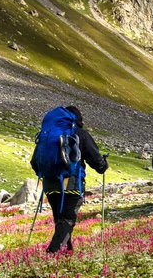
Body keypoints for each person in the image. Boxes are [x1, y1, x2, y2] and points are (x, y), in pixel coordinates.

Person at [31, 106, 108, 253]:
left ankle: (67, 253)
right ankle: (52, 253)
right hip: (72, 182)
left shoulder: (48, 135)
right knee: (67, 219)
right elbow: (98, 163)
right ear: (78, 119)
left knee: (60, 219)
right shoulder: (79, 134)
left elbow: (35, 163)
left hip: (50, 183)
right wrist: (104, 164)